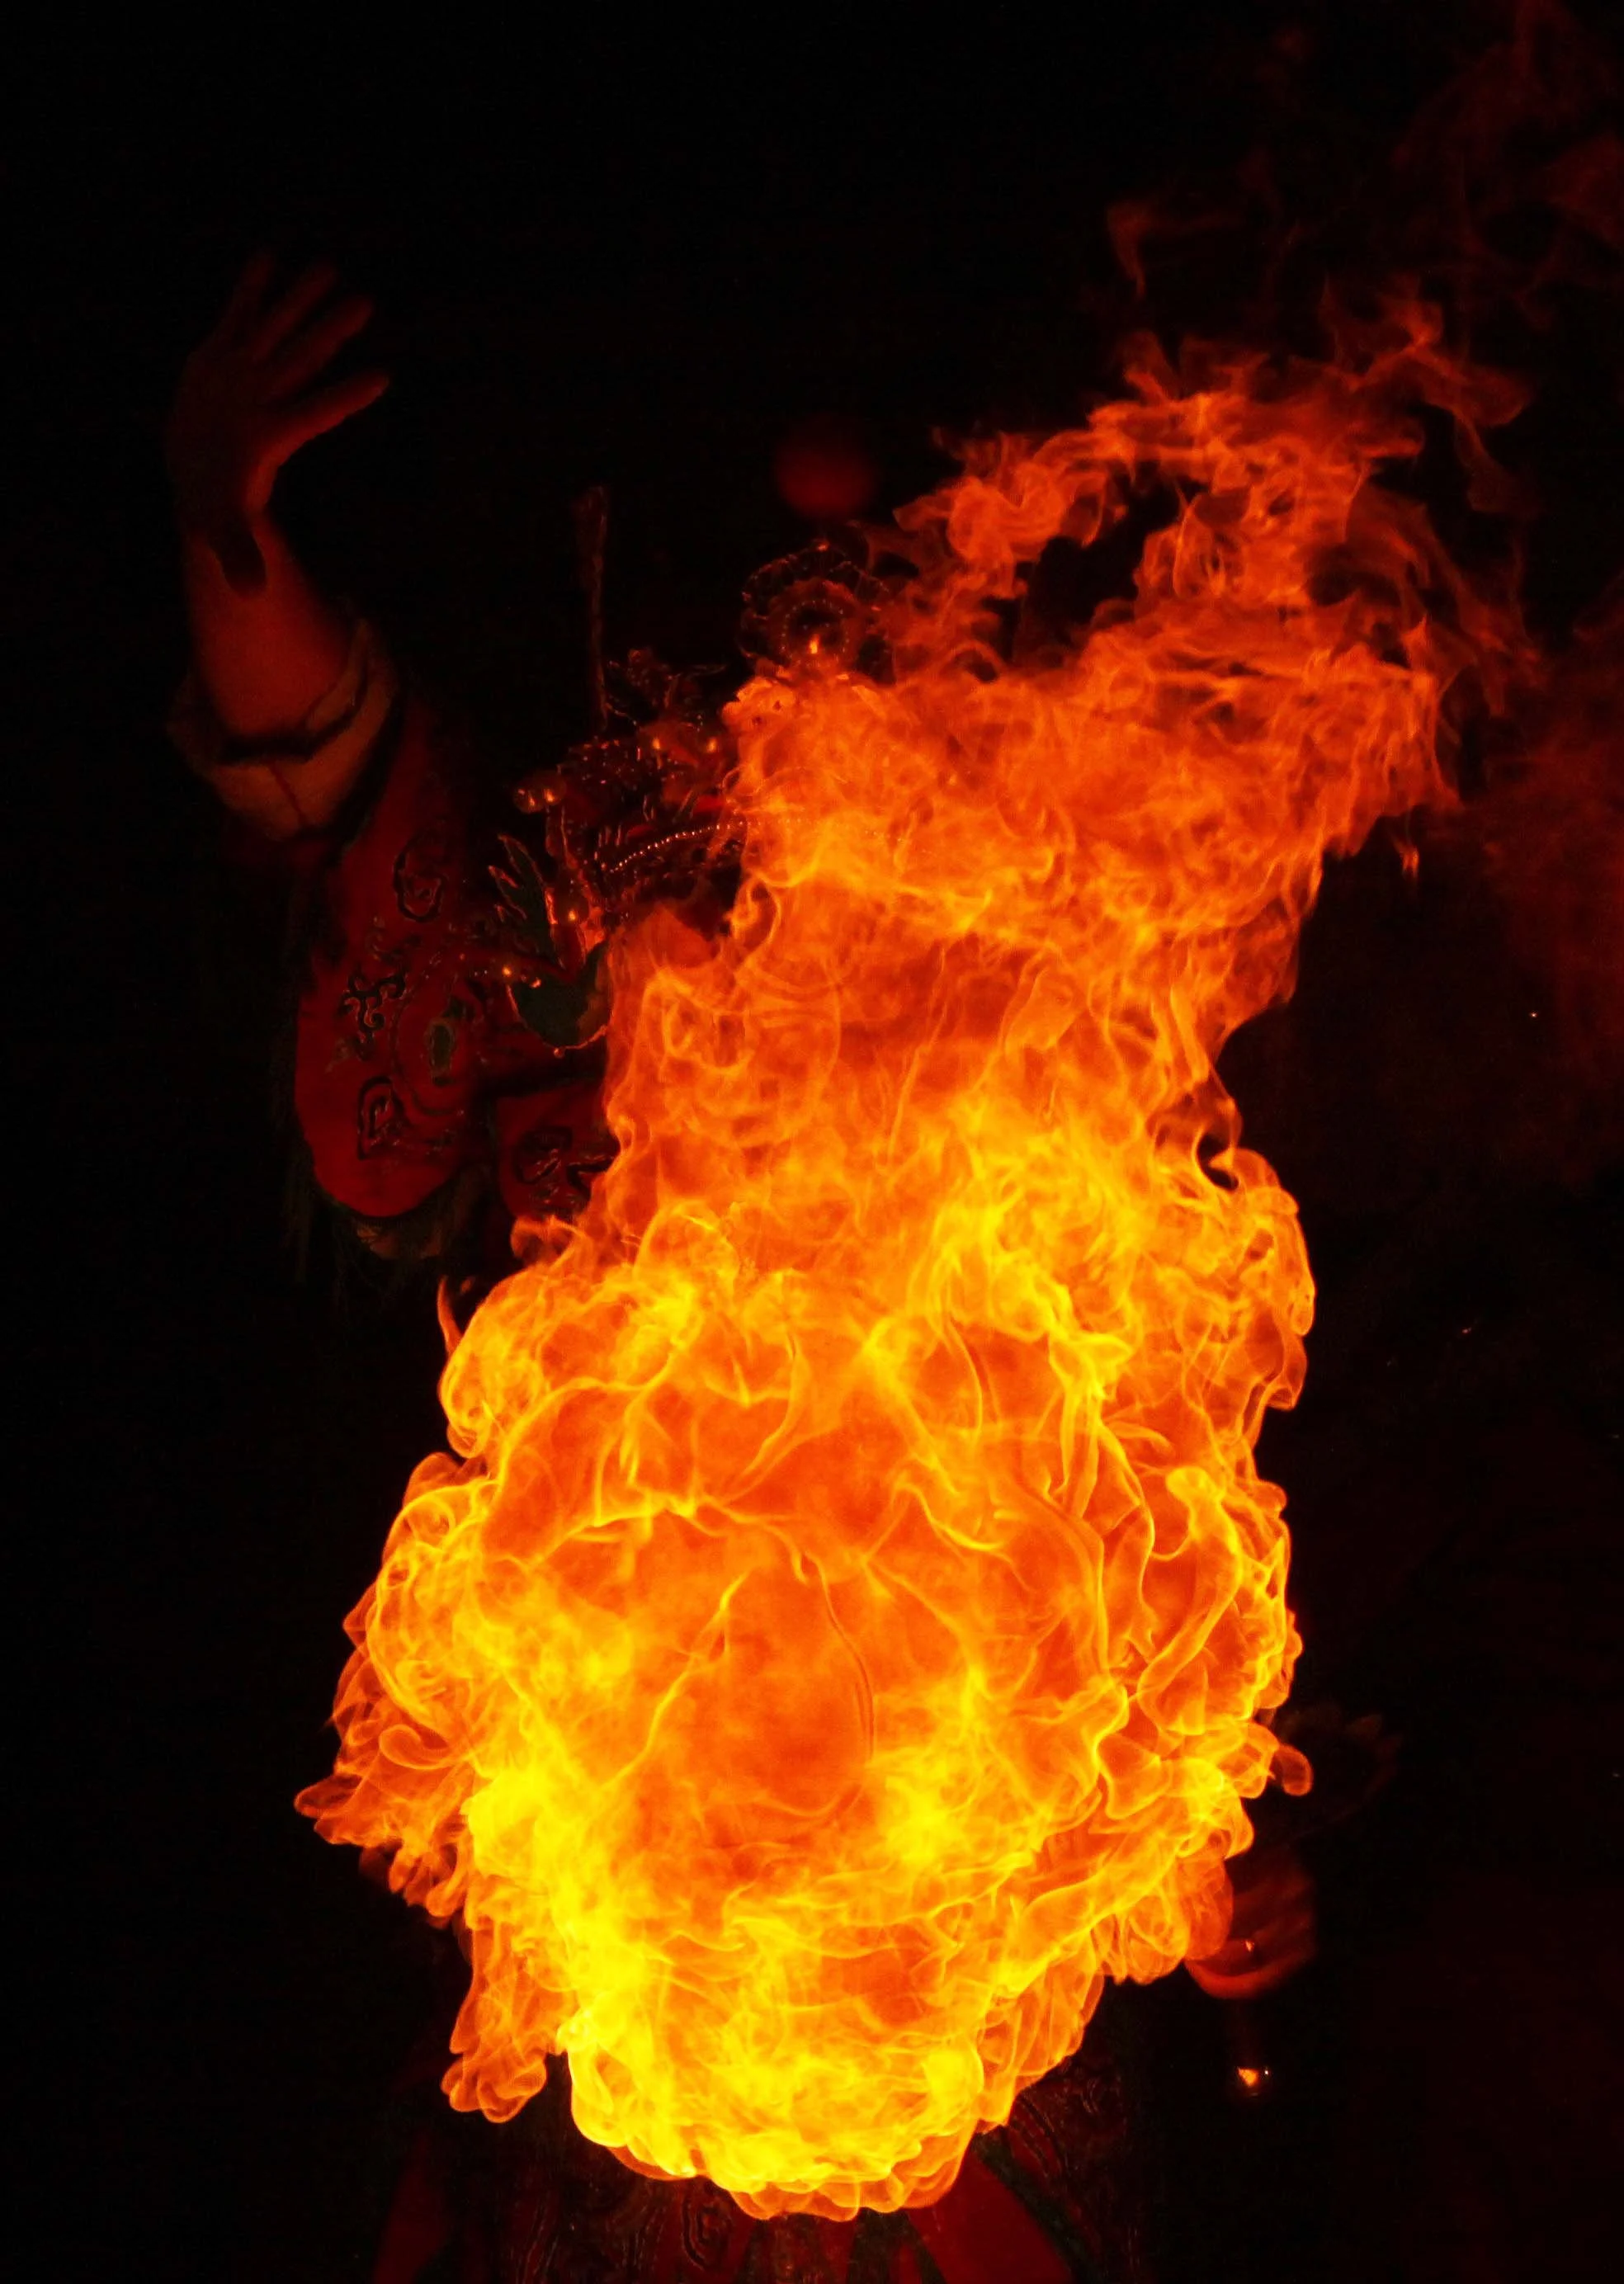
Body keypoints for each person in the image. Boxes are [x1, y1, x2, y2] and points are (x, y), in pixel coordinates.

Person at [168, 257, 1316, 2284]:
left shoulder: (1024, 1007)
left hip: (945, 1954)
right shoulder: (535, 927)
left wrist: (1204, 1873)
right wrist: (221, 531)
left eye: (864, 578)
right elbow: (332, 784)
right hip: (613, 1883)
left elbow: (1129, 1513)